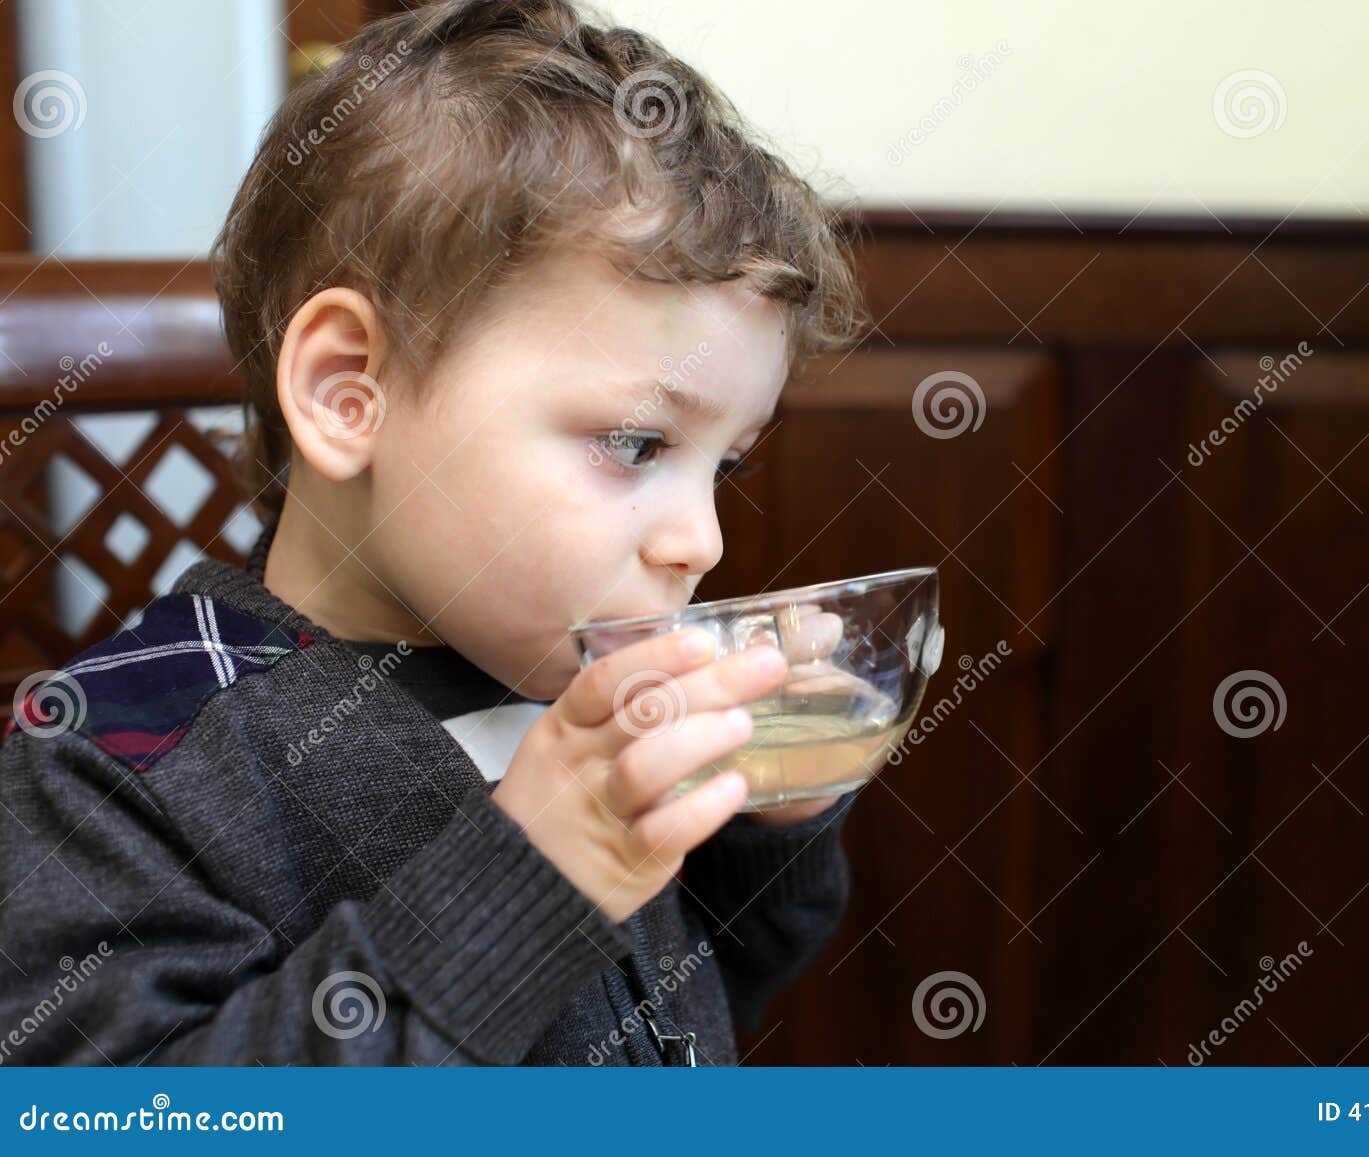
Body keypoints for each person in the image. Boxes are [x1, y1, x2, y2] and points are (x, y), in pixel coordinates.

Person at [0, 0, 868, 1066]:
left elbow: (728, 971)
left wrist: (769, 819)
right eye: (637, 444)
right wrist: (536, 878)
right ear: (348, 390)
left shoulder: (572, 667)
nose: (700, 541)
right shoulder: (122, 763)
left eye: (723, 465)